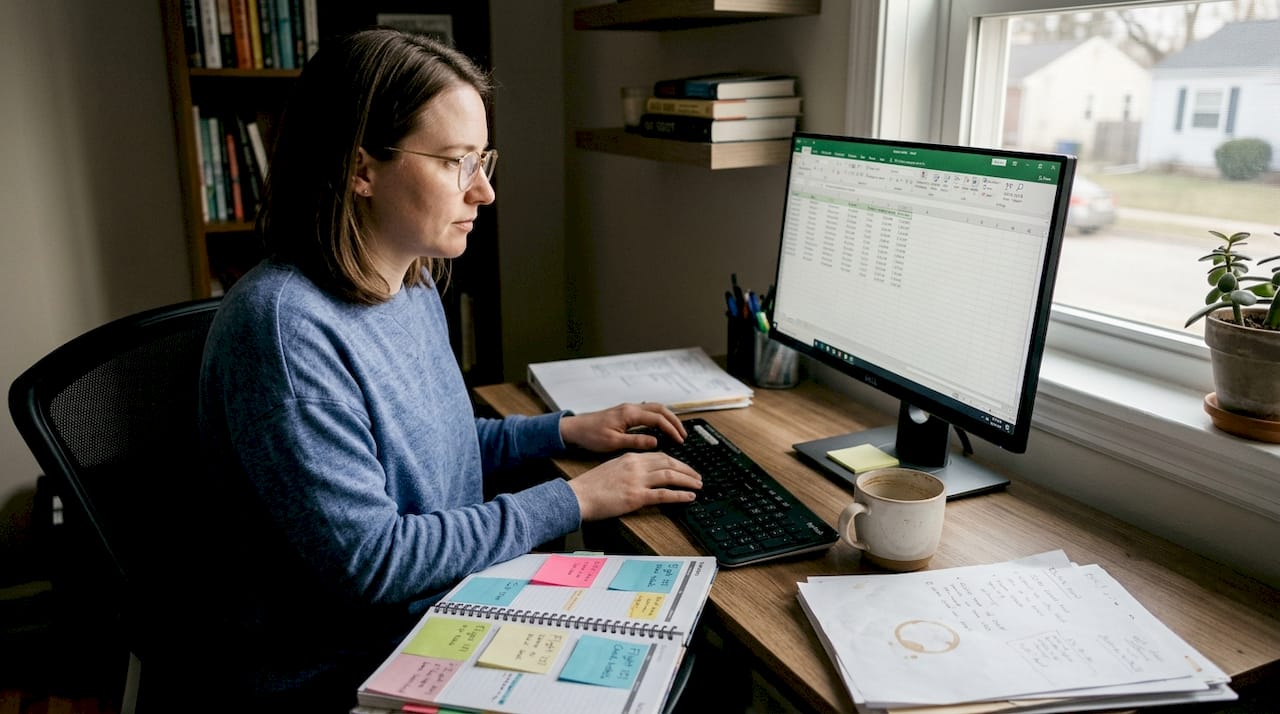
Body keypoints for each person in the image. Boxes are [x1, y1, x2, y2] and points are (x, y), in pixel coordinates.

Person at [194, 28, 701, 711]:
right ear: (360, 168)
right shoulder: (285, 332)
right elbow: (373, 562)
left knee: (678, 648)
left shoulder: (411, 282)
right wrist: (576, 498)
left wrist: (565, 432)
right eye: (457, 161)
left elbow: (436, 448)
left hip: (435, 614)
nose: (484, 192)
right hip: (343, 667)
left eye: (482, 158)